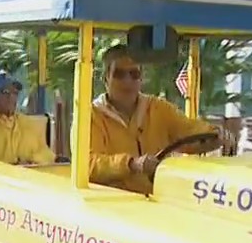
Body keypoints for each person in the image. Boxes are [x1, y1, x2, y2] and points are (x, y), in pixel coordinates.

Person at [90, 44, 230, 194]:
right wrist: (131, 164)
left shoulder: (158, 108)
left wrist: (216, 134)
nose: (127, 81)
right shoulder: (92, 115)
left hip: (159, 200)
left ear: (141, 78)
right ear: (105, 78)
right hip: (111, 204)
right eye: (119, 74)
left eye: (134, 74)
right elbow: (90, 164)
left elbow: (188, 130)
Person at [0, 71, 55, 166]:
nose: (11, 97)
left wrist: (36, 160)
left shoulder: (25, 122)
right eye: (6, 92)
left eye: (15, 93)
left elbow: (44, 154)